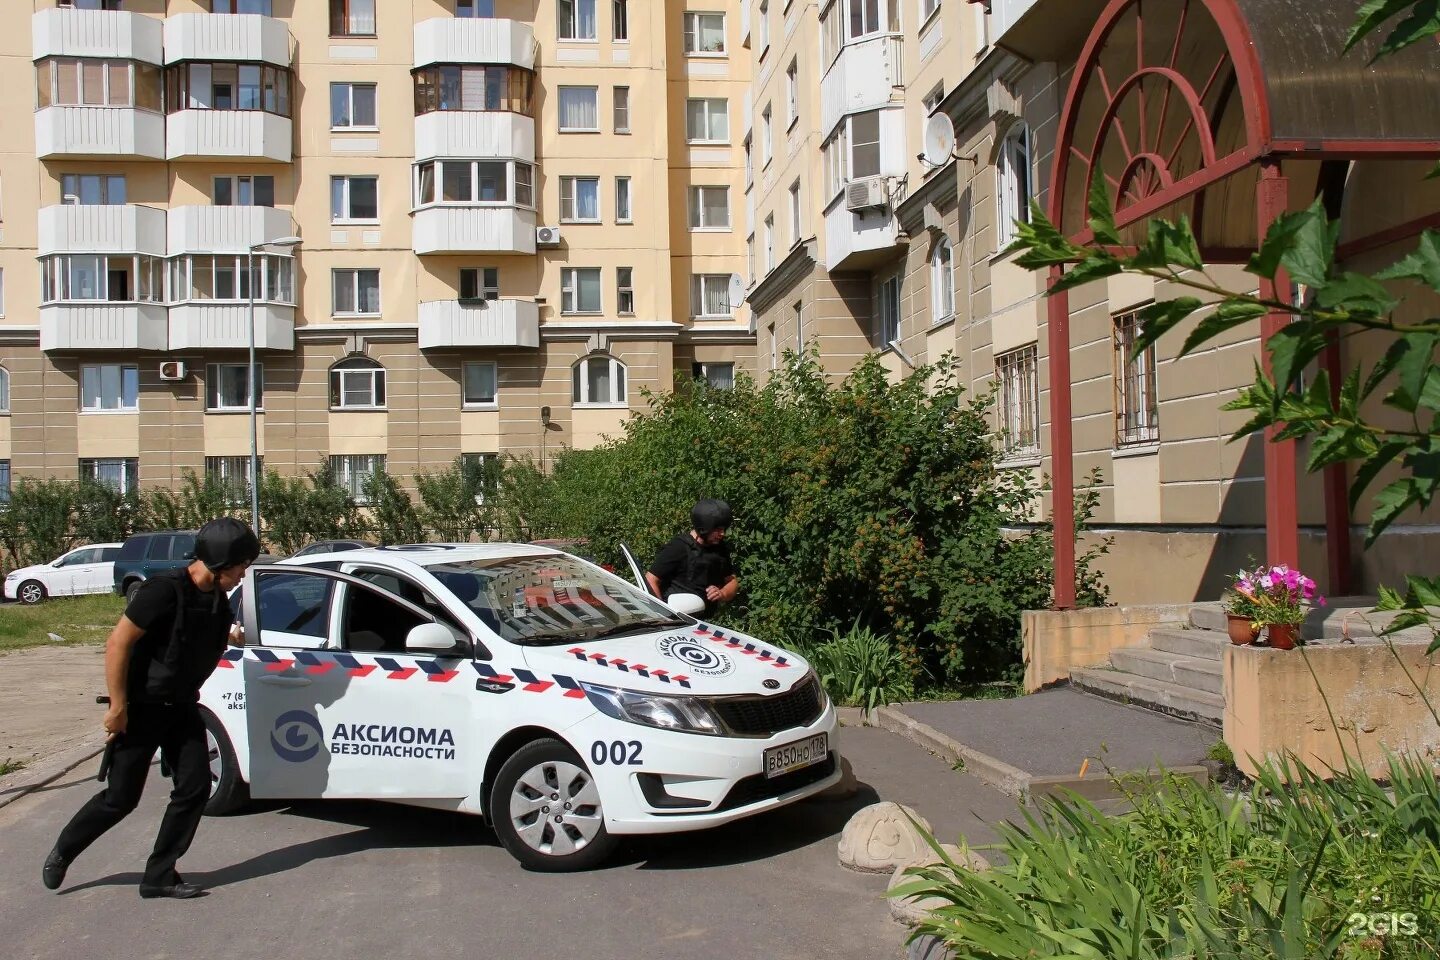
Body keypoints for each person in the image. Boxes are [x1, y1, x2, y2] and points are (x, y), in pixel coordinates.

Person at [42, 517, 261, 900]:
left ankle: (159, 874)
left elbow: (190, 635)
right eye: (241, 565)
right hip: (142, 708)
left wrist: (231, 634)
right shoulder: (163, 591)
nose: (244, 574)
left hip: (181, 707)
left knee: (193, 789)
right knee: (120, 799)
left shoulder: (214, 598)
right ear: (221, 562)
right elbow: (117, 644)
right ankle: (64, 850)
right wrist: (118, 706)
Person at [646, 499, 739, 615]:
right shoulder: (679, 547)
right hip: (677, 621)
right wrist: (662, 615)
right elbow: (651, 579)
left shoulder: (720, 548)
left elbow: (732, 581)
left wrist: (722, 593)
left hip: (703, 624)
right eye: (718, 530)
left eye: (724, 529)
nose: (722, 534)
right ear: (704, 527)